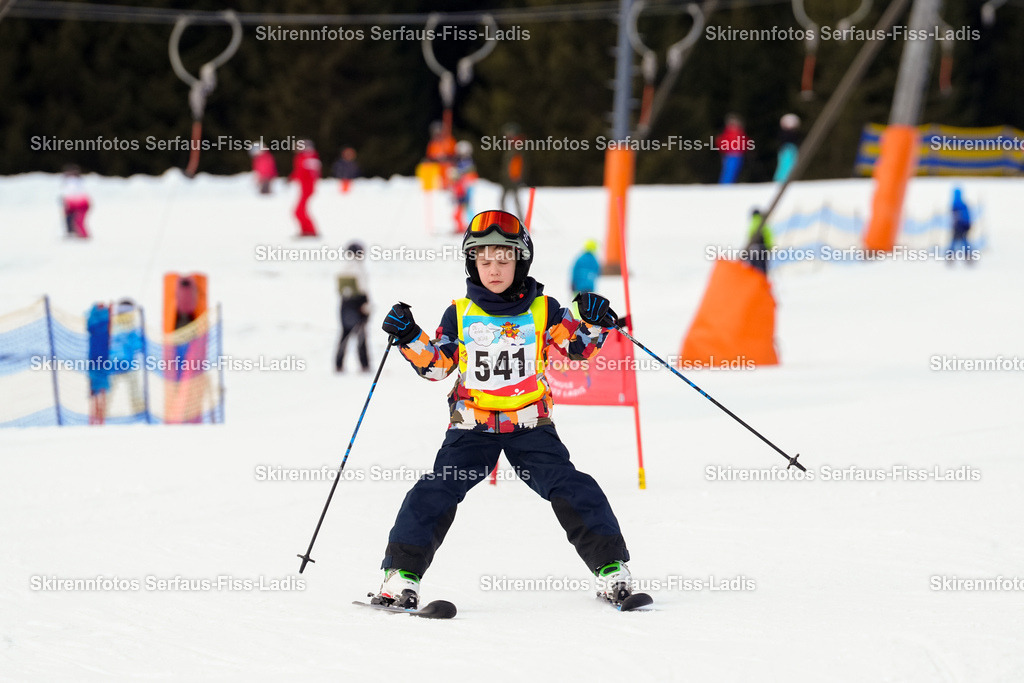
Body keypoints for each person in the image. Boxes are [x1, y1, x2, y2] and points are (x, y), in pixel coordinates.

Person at [370, 209, 636, 610]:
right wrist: (409, 336)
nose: (494, 269)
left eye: (503, 259)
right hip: (471, 426)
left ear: (520, 261)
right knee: (436, 489)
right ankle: (401, 576)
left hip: (530, 424)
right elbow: (438, 366)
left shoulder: (544, 309)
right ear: (473, 263)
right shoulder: (459, 313)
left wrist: (596, 322)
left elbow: (577, 349)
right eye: (484, 259)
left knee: (571, 486)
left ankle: (611, 569)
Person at [335, 242, 371, 373]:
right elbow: (363, 289)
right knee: (361, 337)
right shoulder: (360, 269)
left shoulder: (342, 268)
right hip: (358, 305)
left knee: (344, 335)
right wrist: (366, 307)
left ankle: (338, 364)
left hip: (345, 305)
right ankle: (364, 365)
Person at [289, 140, 321, 237]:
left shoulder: (307, 157)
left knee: (299, 211)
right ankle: (306, 230)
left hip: (308, 188)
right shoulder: (306, 157)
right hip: (305, 188)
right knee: (299, 211)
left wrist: (295, 177)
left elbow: (307, 173)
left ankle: (310, 231)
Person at [87, 302, 111, 425]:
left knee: (100, 391)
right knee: (97, 391)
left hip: (101, 358)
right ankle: (96, 418)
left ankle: (99, 418)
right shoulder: (102, 316)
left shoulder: (95, 317)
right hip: (97, 358)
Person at [449, 141, 477, 233]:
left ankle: (473, 226)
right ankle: (464, 226)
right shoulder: (460, 162)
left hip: (467, 188)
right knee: (462, 208)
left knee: (467, 207)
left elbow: (469, 176)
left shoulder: (468, 163)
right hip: (461, 188)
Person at [500, 122, 526, 216]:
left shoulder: (516, 146)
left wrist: (516, 176)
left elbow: (517, 163)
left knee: (514, 200)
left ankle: (520, 222)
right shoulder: (512, 146)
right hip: (509, 178)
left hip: (513, 179)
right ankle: (507, 221)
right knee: (506, 200)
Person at [716, 114, 750, 184]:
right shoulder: (728, 133)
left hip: (738, 154)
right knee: (728, 170)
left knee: (735, 170)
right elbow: (721, 142)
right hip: (730, 154)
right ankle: (725, 184)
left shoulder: (740, 132)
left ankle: (730, 183)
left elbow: (745, 142)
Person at [60, 164, 91, 238]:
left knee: (77, 220)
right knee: (72, 219)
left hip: (79, 203)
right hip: (73, 203)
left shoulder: (74, 182)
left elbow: (72, 193)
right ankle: (74, 233)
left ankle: (82, 235)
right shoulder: (71, 181)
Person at [947, 187, 974, 265]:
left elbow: (956, 217)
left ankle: (951, 256)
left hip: (959, 226)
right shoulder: (963, 205)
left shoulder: (955, 205)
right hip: (963, 226)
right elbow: (967, 216)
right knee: (963, 241)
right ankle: (967, 256)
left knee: (955, 241)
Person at [744, 209, 774, 274]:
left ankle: (756, 280)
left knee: (754, 267)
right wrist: (769, 246)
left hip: (754, 249)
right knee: (763, 266)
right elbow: (769, 235)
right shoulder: (764, 223)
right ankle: (763, 280)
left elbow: (750, 238)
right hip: (764, 248)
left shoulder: (752, 224)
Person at [773, 114, 801, 183]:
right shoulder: (786, 134)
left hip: (789, 150)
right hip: (788, 150)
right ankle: (782, 179)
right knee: (786, 165)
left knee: (789, 165)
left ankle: (784, 178)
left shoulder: (788, 134)